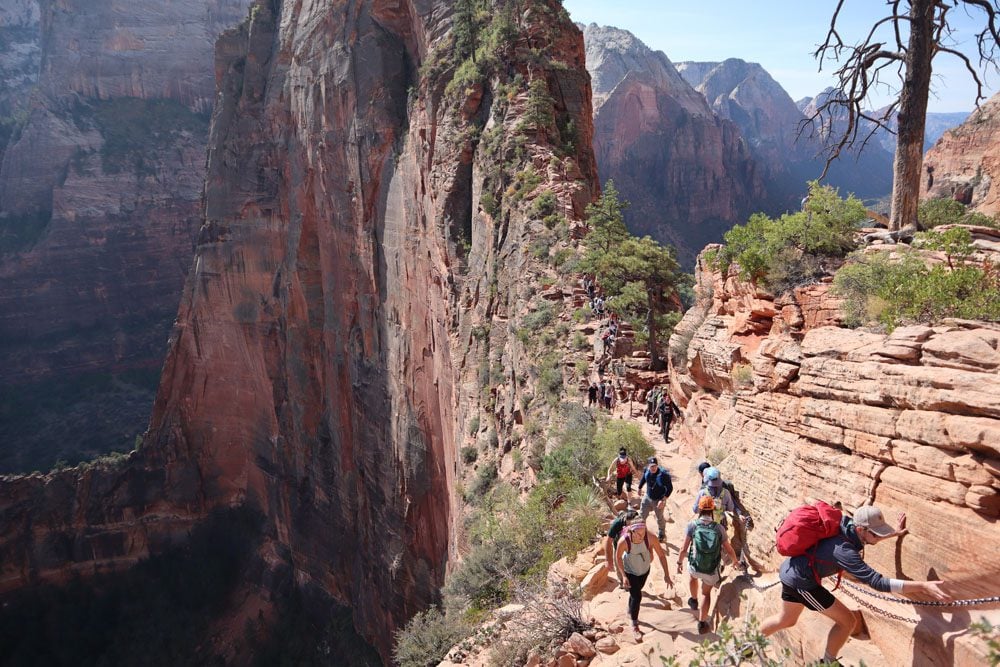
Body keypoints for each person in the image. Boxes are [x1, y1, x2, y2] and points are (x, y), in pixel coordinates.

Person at [760, 505, 950, 664]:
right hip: (802, 583)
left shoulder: (846, 525)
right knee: (847, 622)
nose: (877, 537)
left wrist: (893, 534)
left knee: (786, 620)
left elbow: (869, 536)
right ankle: (827, 663)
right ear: (861, 529)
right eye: (876, 533)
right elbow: (877, 582)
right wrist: (923, 587)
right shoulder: (845, 551)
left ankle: (749, 642)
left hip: (791, 571)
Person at [676, 496, 740, 633]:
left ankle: (693, 600)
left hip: (695, 566)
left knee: (692, 577)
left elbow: (683, 548)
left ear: (699, 508)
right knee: (706, 594)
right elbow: (728, 549)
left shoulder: (692, 525)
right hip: (711, 569)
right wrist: (735, 561)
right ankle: (702, 622)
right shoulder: (718, 528)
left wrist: (679, 562)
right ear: (712, 509)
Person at [615, 518, 672, 642]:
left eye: (644, 532)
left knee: (636, 592)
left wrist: (667, 575)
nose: (642, 536)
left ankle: (630, 609)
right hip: (630, 571)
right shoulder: (624, 541)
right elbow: (618, 557)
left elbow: (661, 555)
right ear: (632, 532)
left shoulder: (650, 537)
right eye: (639, 533)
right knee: (637, 596)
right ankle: (634, 625)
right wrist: (624, 576)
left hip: (644, 570)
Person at [637, 457, 673, 540]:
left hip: (659, 499)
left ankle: (662, 534)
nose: (653, 468)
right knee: (642, 515)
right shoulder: (646, 470)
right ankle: (641, 532)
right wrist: (639, 487)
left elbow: (670, 488)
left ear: (657, 465)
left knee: (659, 518)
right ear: (648, 466)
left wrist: (663, 500)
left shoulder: (663, 475)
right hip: (648, 497)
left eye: (655, 466)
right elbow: (643, 479)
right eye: (651, 466)